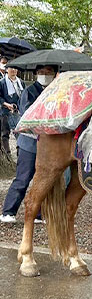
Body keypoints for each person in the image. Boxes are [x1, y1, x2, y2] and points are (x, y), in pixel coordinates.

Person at [0, 65, 58, 224]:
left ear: (55, 74)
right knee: (23, 178)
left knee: (43, 180)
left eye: (48, 73)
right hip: (29, 143)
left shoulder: (56, 91)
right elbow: (27, 115)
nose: (45, 75)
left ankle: (39, 213)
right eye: (41, 73)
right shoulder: (29, 92)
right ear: (35, 74)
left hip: (48, 144)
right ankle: (8, 211)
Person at [0, 66, 25, 154]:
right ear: (7, 70)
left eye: (15, 68)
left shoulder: (20, 82)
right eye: (11, 68)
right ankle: (7, 154)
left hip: (17, 112)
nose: (13, 70)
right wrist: (6, 104)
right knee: (5, 133)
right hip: (5, 111)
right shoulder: (2, 82)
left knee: (19, 133)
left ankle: (20, 152)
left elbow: (23, 97)